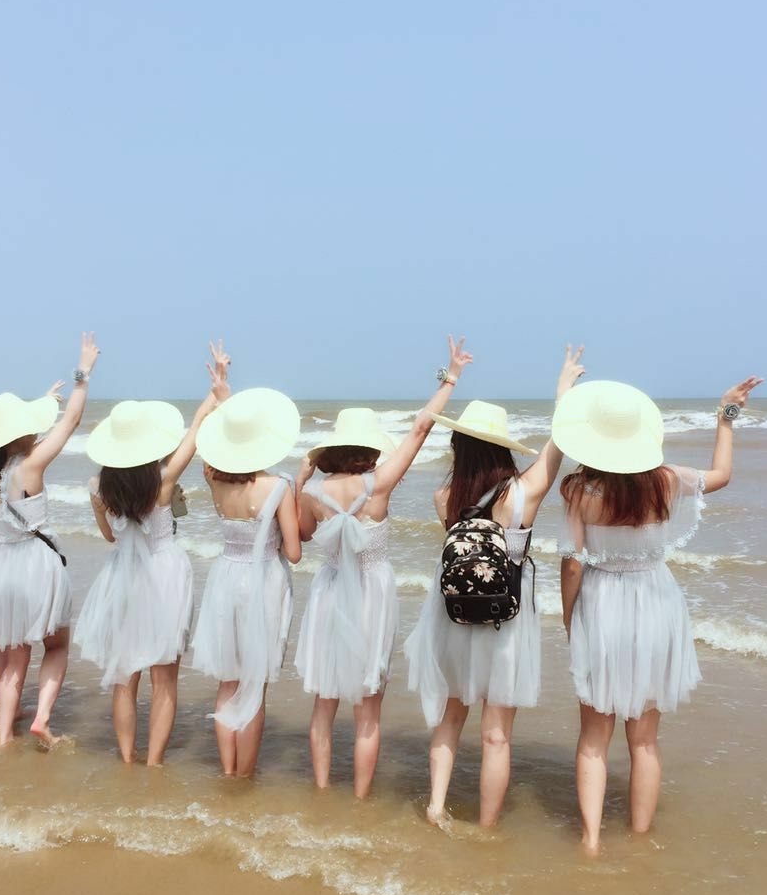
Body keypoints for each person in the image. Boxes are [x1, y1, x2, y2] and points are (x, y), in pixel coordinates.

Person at [555, 375, 764, 853]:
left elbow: (572, 564)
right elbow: (721, 476)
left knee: (594, 737)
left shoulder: (578, 491)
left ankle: (590, 840)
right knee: (645, 740)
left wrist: (571, 619)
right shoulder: (665, 480)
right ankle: (639, 837)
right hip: (655, 602)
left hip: (602, 602)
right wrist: (726, 417)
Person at [405, 346, 586, 826]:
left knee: (451, 717)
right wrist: (563, 391)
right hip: (507, 619)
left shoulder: (444, 496)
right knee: (496, 734)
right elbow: (560, 442)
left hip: (455, 615)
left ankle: (436, 806)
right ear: (502, 448)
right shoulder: (524, 493)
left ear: (459, 447)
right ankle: (487, 827)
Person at [296, 336, 473, 799]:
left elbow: (302, 536)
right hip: (373, 594)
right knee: (368, 710)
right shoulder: (379, 484)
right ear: (369, 448)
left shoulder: (311, 494)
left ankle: (321, 791)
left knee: (323, 704)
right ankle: (359, 798)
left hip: (330, 591)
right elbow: (420, 429)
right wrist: (450, 378)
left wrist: (300, 480)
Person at [76, 343, 231, 765]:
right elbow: (196, 431)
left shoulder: (98, 488)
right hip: (165, 577)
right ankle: (154, 762)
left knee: (124, 679)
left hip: (121, 580)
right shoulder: (162, 482)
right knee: (165, 681)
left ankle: (127, 758)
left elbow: (110, 537)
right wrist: (216, 387)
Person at [0, 334, 100, 746]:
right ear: (24, 432)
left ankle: (4, 737)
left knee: (10, 658)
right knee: (56, 646)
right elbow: (71, 421)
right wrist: (83, 373)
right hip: (36, 565)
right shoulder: (32, 463)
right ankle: (41, 719)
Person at [191, 387, 302, 777]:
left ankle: (227, 770)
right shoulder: (278, 486)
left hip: (225, 578)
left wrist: (221, 401)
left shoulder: (215, 481)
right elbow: (293, 552)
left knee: (228, 682)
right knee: (253, 686)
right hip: (263, 582)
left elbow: (208, 448)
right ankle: (244, 776)